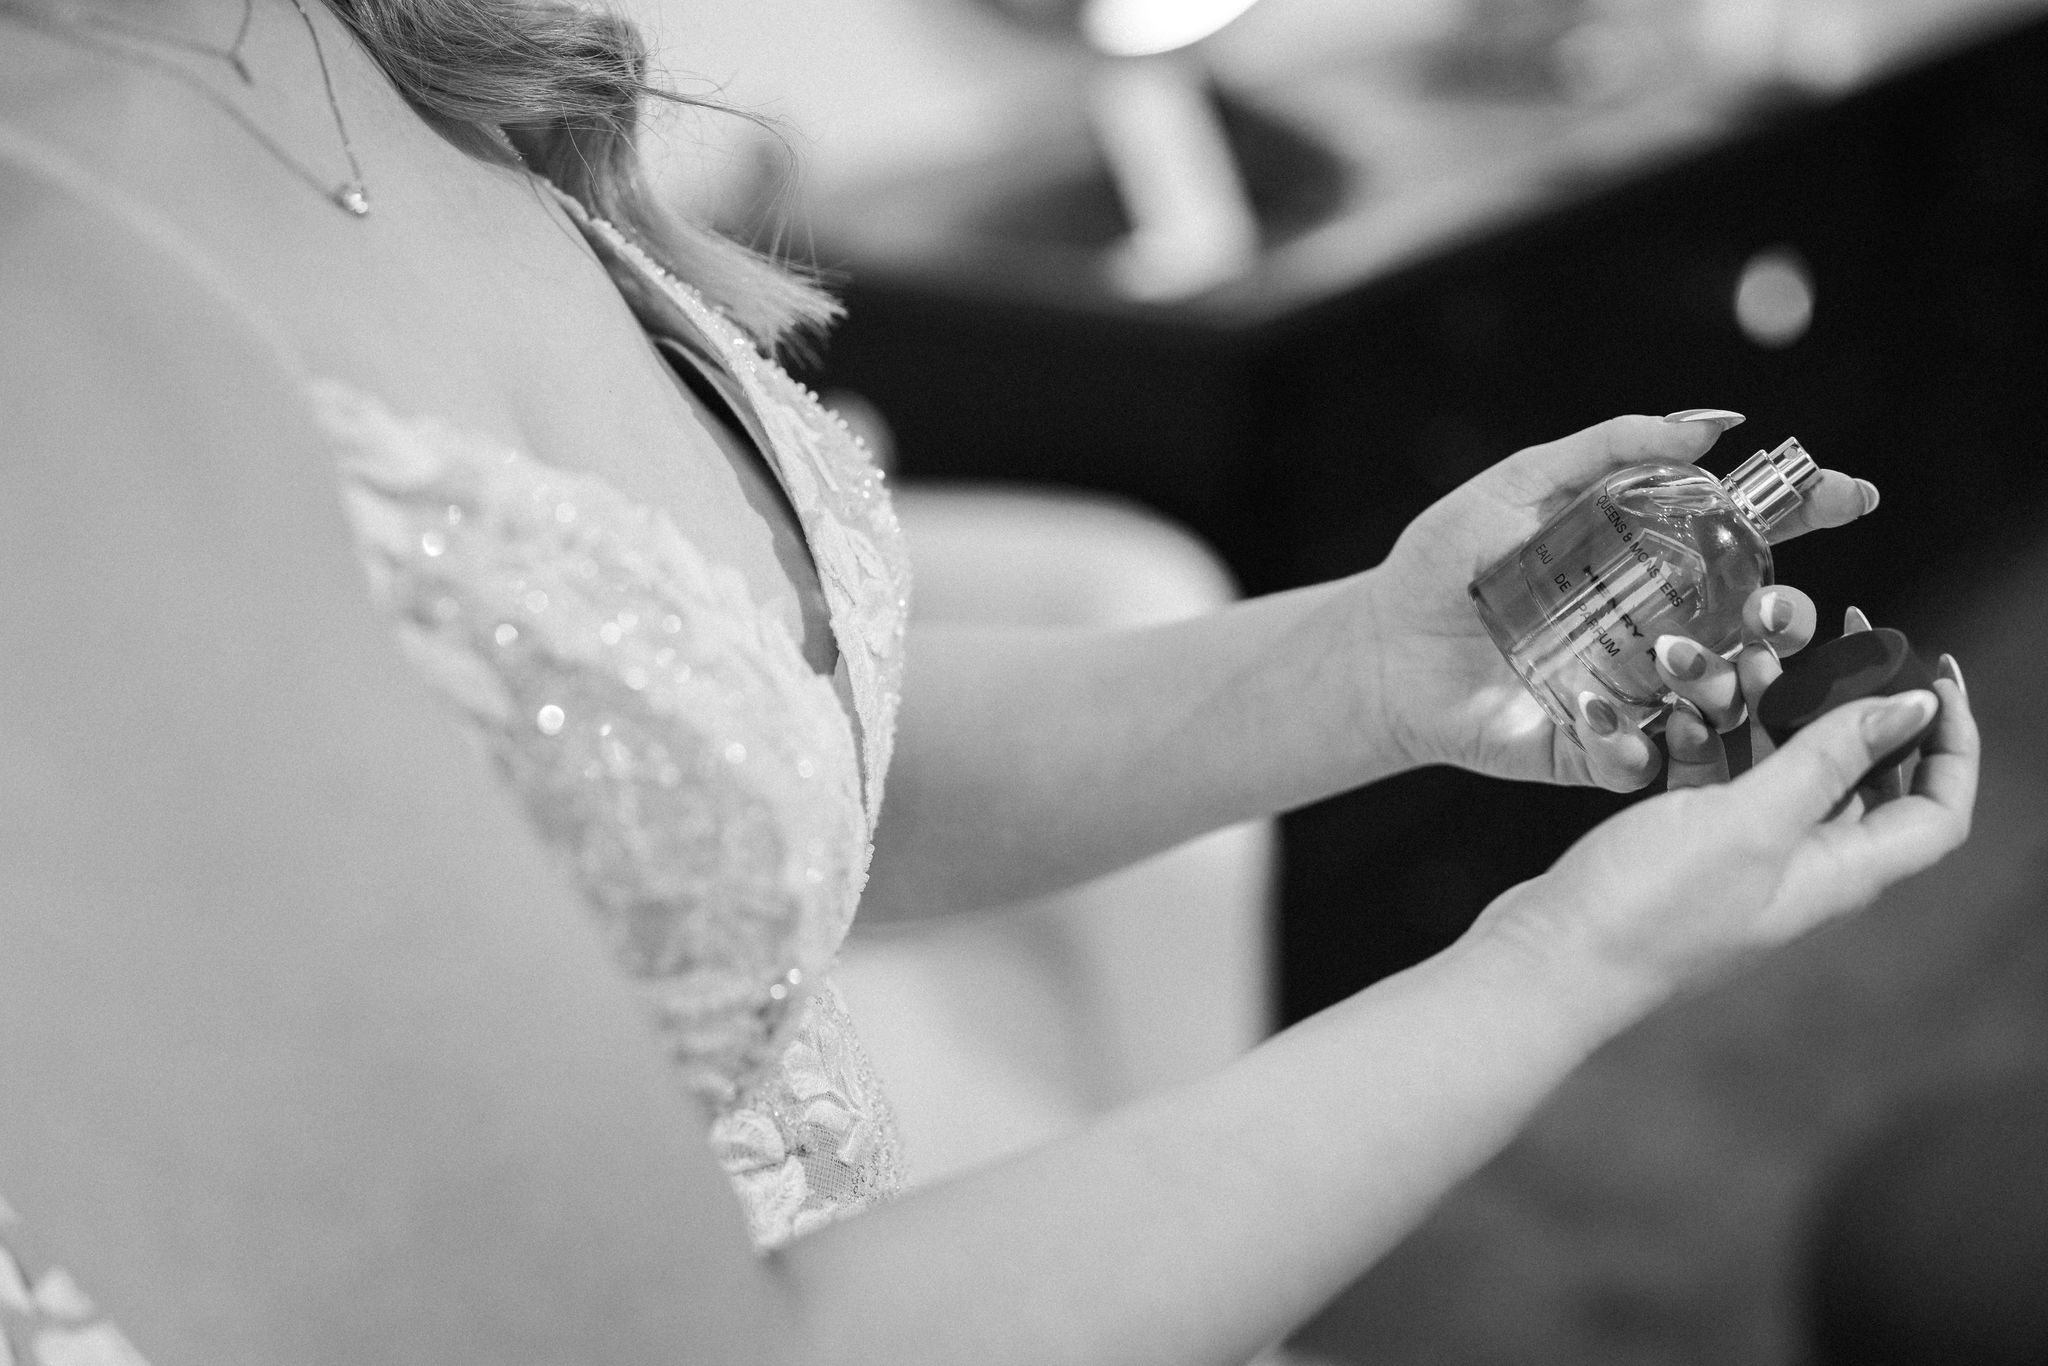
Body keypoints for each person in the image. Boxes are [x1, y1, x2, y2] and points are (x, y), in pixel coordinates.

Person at [0, 0, 1977, 1362]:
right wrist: (1565, 958)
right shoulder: (47, 318)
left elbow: (728, 759)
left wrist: (1367, 662)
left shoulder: (382, 51)